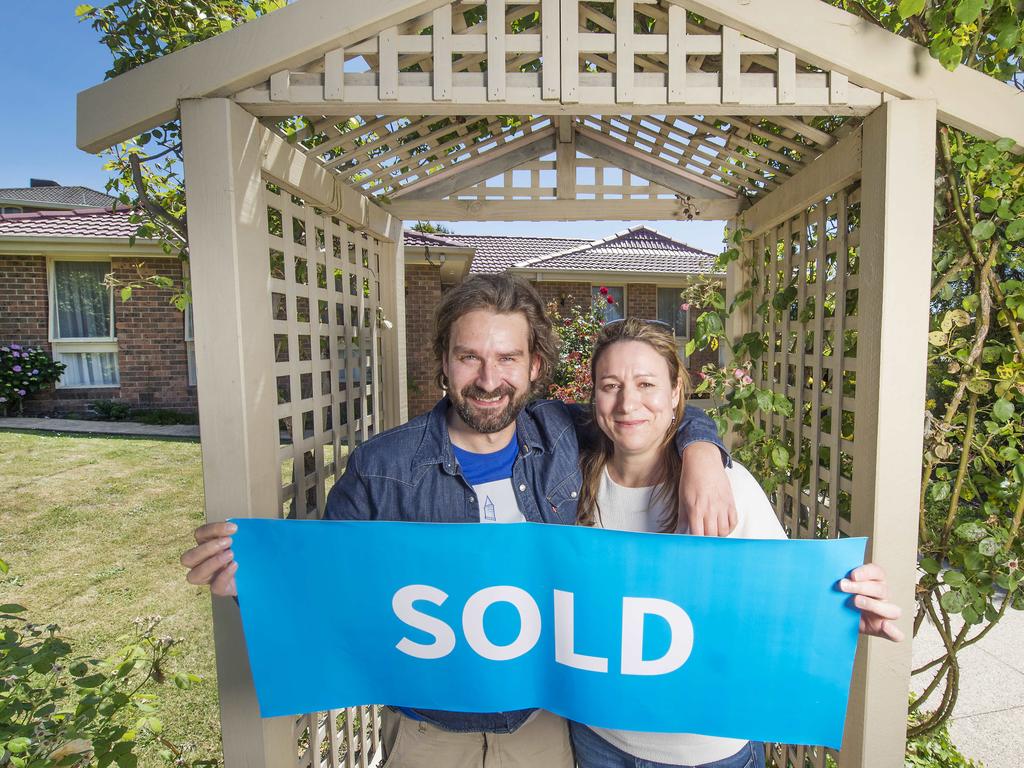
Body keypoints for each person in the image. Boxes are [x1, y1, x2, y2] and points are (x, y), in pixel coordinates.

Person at [181, 275, 738, 768]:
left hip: (541, 728)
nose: (488, 379)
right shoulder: (383, 467)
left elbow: (652, 407)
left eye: (507, 359)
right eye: (469, 356)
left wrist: (702, 453)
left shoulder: (563, 435)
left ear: (534, 367)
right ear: (444, 363)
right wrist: (255, 582)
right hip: (428, 733)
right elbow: (331, 585)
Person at [568, 317, 904, 768]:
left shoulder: (726, 486)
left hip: (707, 751)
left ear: (674, 397)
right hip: (599, 739)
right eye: (610, 385)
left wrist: (839, 609)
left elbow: (782, 589)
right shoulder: (566, 481)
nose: (629, 402)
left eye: (647, 383)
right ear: (594, 397)